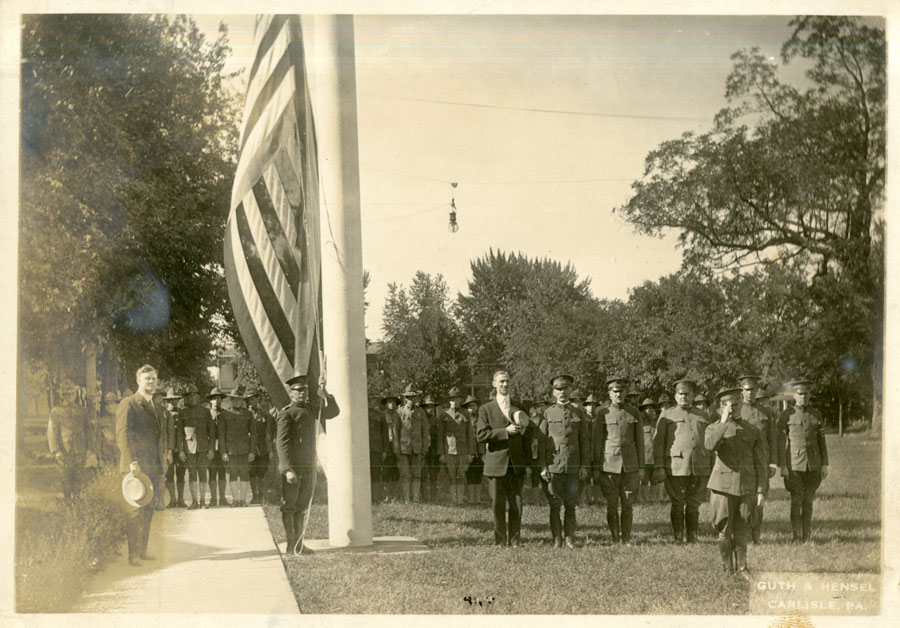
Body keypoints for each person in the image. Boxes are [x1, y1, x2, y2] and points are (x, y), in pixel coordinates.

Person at [705, 386, 767, 580]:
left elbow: (761, 463)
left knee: (742, 528)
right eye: (727, 405)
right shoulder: (714, 427)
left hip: (746, 485)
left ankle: (742, 568)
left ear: (742, 403)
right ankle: (727, 569)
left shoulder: (753, 430)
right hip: (721, 486)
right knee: (724, 529)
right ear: (721, 408)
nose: (733, 408)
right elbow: (710, 445)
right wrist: (723, 422)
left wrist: (760, 490)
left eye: (736, 404)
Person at [276, 375, 337, 554]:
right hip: (293, 468)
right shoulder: (286, 414)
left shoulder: (310, 409)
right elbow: (282, 444)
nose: (302, 393)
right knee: (289, 505)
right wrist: (287, 470)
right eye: (298, 390)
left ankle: (299, 545)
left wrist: (324, 392)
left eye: (305, 390)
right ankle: (291, 545)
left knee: (302, 505)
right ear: (290, 392)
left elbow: (333, 412)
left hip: (307, 466)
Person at [116, 364, 165, 566]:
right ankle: (133, 555)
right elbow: (123, 435)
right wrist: (131, 463)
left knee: (148, 509)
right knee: (134, 511)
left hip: (152, 465)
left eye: (153, 379)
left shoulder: (156, 405)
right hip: (135, 466)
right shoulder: (129, 404)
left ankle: (142, 550)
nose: (151, 382)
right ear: (138, 381)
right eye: (147, 379)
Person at [653, 379, 712, 543]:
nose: (684, 397)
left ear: (693, 396)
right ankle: (678, 537)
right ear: (675, 395)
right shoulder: (667, 415)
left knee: (694, 504)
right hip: (676, 466)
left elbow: (710, 441)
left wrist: (711, 465)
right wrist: (659, 466)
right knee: (678, 503)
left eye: (687, 394)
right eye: (680, 394)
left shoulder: (703, 415)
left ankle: (692, 537)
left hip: (699, 465)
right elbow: (658, 443)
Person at [476, 370, 530, 547]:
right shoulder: (486, 408)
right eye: (501, 382)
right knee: (497, 506)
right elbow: (481, 435)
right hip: (496, 464)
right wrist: (504, 432)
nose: (505, 385)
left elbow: (527, 438)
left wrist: (527, 462)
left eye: (507, 382)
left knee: (516, 505)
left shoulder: (519, 406)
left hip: (516, 464)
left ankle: (515, 541)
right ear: (494, 384)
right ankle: (500, 541)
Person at [539, 374, 589, 549]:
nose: (562, 392)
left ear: (571, 390)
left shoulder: (579, 413)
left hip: (573, 465)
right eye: (558, 389)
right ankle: (557, 539)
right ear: (553, 392)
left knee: (571, 504)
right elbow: (542, 442)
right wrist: (543, 466)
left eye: (566, 388)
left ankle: (569, 538)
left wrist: (584, 465)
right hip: (554, 466)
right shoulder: (547, 413)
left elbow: (585, 442)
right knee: (554, 504)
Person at [776, 379, 828, 544]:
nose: (803, 397)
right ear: (793, 395)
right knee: (796, 500)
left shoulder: (816, 414)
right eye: (799, 394)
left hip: (813, 464)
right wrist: (783, 466)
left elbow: (822, 441)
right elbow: (780, 443)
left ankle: (807, 536)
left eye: (806, 393)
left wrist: (825, 464)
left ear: (810, 394)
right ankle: (796, 536)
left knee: (808, 501)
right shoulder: (786, 415)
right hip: (794, 464)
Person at [592, 377, 644, 544]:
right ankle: (615, 539)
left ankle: (626, 539)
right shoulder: (602, 413)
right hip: (609, 465)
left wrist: (641, 466)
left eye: (621, 391)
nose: (618, 394)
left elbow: (640, 441)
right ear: (610, 394)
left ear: (626, 392)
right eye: (615, 391)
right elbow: (597, 441)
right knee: (612, 504)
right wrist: (597, 467)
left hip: (630, 466)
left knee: (628, 504)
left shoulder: (634, 412)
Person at [737, 375, 777, 543]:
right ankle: (744, 534)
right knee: (745, 500)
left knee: (759, 500)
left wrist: (773, 462)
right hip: (743, 462)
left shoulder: (766, 412)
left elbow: (772, 439)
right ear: (741, 391)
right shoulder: (737, 410)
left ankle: (756, 536)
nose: (750, 393)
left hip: (761, 461)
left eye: (753, 389)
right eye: (746, 390)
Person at [47, 380, 93, 502]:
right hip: (64, 450)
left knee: (78, 477)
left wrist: (88, 448)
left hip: (80, 450)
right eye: (65, 394)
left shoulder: (82, 410)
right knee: (66, 478)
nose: (69, 396)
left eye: (71, 394)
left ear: (75, 394)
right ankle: (67, 503)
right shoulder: (56, 411)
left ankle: (77, 502)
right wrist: (56, 450)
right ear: (61, 395)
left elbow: (88, 430)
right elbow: (52, 431)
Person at [219, 385, 257, 507]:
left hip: (245, 449)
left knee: (244, 473)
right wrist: (223, 452)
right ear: (231, 400)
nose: (237, 401)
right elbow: (221, 435)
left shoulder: (248, 414)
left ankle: (243, 500)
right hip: (231, 450)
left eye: (239, 399)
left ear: (242, 400)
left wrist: (252, 451)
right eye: (234, 399)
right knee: (233, 473)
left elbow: (254, 434)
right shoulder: (225, 415)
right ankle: (235, 500)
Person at [178, 384, 215, 509]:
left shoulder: (205, 412)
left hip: (203, 447)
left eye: (195, 395)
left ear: (198, 397)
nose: (193, 398)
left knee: (203, 473)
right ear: (187, 398)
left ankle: (203, 501)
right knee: (192, 474)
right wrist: (181, 450)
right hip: (189, 448)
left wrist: (211, 449)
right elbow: (180, 434)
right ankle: (194, 501)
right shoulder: (182, 412)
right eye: (190, 396)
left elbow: (212, 432)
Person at [437, 387, 476, 505]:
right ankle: (454, 499)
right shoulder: (444, 415)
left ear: (460, 400)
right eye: (452, 399)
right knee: (451, 475)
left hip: (463, 450)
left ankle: (460, 499)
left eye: (457, 399)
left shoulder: (466, 415)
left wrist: (471, 453)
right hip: (450, 449)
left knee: (461, 475)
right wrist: (441, 453)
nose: (455, 401)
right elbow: (440, 436)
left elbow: (470, 435)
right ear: (449, 400)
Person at [392, 384, 430, 503]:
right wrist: (396, 449)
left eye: (415, 398)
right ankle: (407, 498)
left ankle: (415, 498)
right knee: (405, 474)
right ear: (405, 398)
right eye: (410, 398)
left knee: (417, 474)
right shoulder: (399, 412)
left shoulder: (421, 412)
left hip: (417, 448)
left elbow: (425, 432)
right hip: (404, 448)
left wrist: (424, 448)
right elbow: (395, 433)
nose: (412, 400)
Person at [247, 387, 275, 505]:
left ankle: (262, 496)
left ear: (258, 398)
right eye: (249, 399)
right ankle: (255, 495)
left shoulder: (265, 414)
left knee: (262, 471)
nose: (251, 401)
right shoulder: (245, 414)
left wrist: (270, 450)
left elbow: (268, 433)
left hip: (262, 448)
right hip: (249, 448)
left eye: (253, 398)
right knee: (251, 472)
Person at [636, 397, 663, 503]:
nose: (649, 410)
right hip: (645, 456)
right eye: (646, 408)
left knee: (655, 479)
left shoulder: (657, 422)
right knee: (644, 480)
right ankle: (645, 500)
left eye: (651, 408)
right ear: (643, 410)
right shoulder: (640, 423)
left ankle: (654, 499)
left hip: (655, 455)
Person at [162, 388, 187, 508]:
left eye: (175, 401)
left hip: (180, 449)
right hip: (169, 450)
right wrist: (167, 450)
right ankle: (172, 499)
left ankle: (181, 499)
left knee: (181, 474)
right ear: (167, 402)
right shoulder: (164, 414)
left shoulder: (182, 414)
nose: (173, 403)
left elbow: (183, 432)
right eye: (171, 401)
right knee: (169, 475)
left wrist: (181, 449)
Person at [207, 387, 228, 507]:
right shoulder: (207, 413)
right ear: (210, 401)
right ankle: (213, 498)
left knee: (222, 472)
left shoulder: (225, 414)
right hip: (211, 447)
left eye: (218, 399)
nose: (216, 401)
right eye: (214, 399)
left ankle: (223, 497)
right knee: (212, 472)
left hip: (222, 447)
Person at [462, 395, 485, 504]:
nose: (472, 408)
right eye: (469, 406)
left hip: (480, 450)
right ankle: (471, 498)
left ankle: (478, 498)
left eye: (473, 405)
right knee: (469, 473)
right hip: (468, 450)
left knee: (479, 473)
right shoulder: (464, 419)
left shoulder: (481, 418)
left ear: (477, 406)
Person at [368, 395, 390, 503]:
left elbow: (385, 434)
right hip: (363, 449)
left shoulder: (381, 416)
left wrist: (385, 450)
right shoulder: (360, 413)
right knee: (363, 473)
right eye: (370, 400)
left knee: (376, 473)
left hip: (376, 449)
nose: (372, 402)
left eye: (373, 400)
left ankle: (375, 498)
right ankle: (366, 498)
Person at [420, 394, 441, 503]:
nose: (430, 409)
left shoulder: (436, 421)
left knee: (434, 475)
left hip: (434, 450)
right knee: (423, 474)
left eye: (432, 407)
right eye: (427, 407)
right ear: (423, 408)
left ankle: (434, 497)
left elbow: (440, 437)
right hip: (424, 450)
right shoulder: (420, 419)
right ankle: (424, 498)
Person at [380, 392, 401, 502]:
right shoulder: (382, 415)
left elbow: (401, 431)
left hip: (396, 448)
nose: (391, 404)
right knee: (385, 472)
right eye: (389, 402)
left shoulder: (398, 416)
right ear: (386, 404)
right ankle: (386, 495)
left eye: (393, 402)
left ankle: (395, 496)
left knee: (395, 472)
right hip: (386, 447)